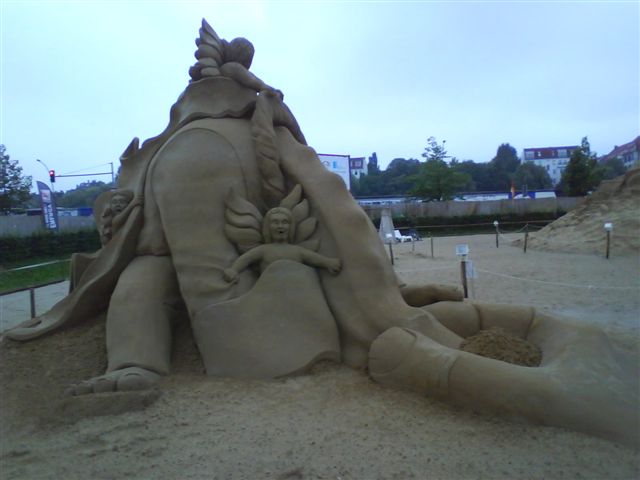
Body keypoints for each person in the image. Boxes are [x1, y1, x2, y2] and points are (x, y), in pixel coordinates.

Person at [223, 207, 341, 283]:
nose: (280, 226)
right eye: (275, 222)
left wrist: (328, 262)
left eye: (284, 222)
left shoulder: (296, 250)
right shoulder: (264, 250)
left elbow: (313, 258)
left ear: (290, 227)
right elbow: (246, 258)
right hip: (269, 292)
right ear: (268, 227)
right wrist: (234, 270)